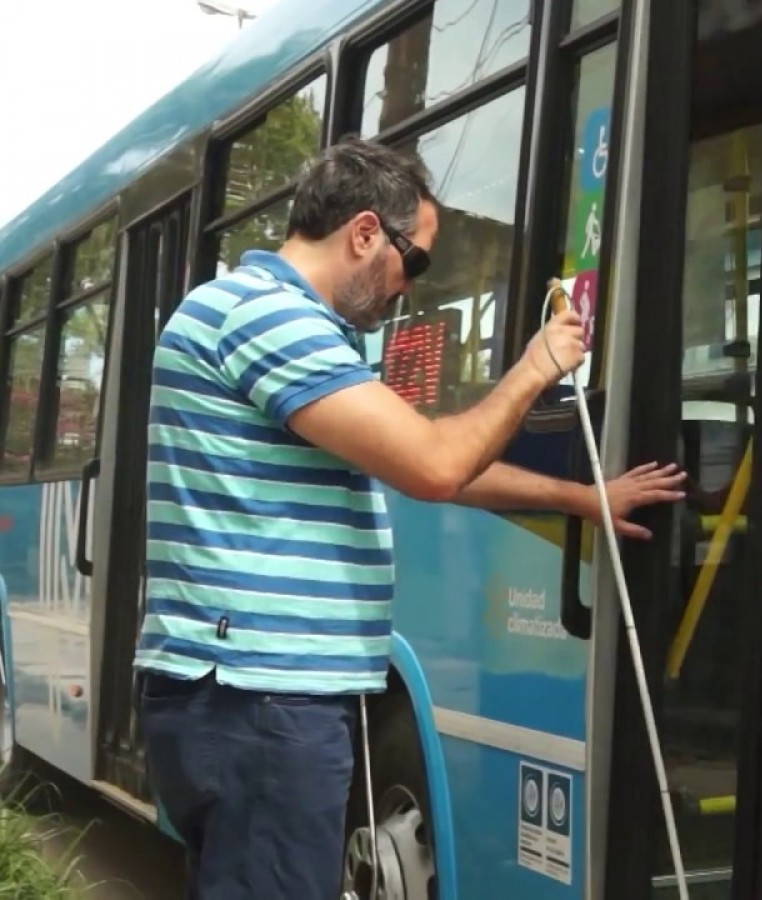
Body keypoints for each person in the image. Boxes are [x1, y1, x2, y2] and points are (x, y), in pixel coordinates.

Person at [131, 137, 685, 898]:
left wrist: (581, 500)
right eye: (413, 262)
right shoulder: (267, 318)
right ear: (364, 233)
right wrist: (536, 366)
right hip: (260, 703)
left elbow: (425, 458)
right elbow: (432, 464)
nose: (409, 290)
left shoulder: (286, 325)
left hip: (253, 701)